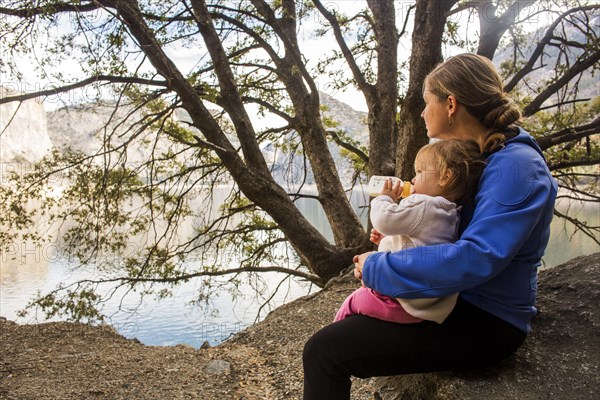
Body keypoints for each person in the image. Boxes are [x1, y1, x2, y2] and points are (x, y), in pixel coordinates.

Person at [303, 53, 557, 400]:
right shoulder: (477, 154)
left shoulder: (518, 167)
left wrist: (380, 267)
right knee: (334, 338)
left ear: (450, 103)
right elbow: (441, 227)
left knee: (324, 352)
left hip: (486, 320)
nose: (422, 113)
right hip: (449, 297)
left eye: (426, 102)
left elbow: (478, 256)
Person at [334, 139, 486, 324]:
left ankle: (337, 335)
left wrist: (385, 199)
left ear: (445, 176)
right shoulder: (450, 212)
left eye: (420, 172)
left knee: (354, 300)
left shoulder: (424, 205)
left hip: (400, 301)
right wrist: (389, 238)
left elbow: (383, 220)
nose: (413, 179)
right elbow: (418, 242)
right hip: (426, 304)